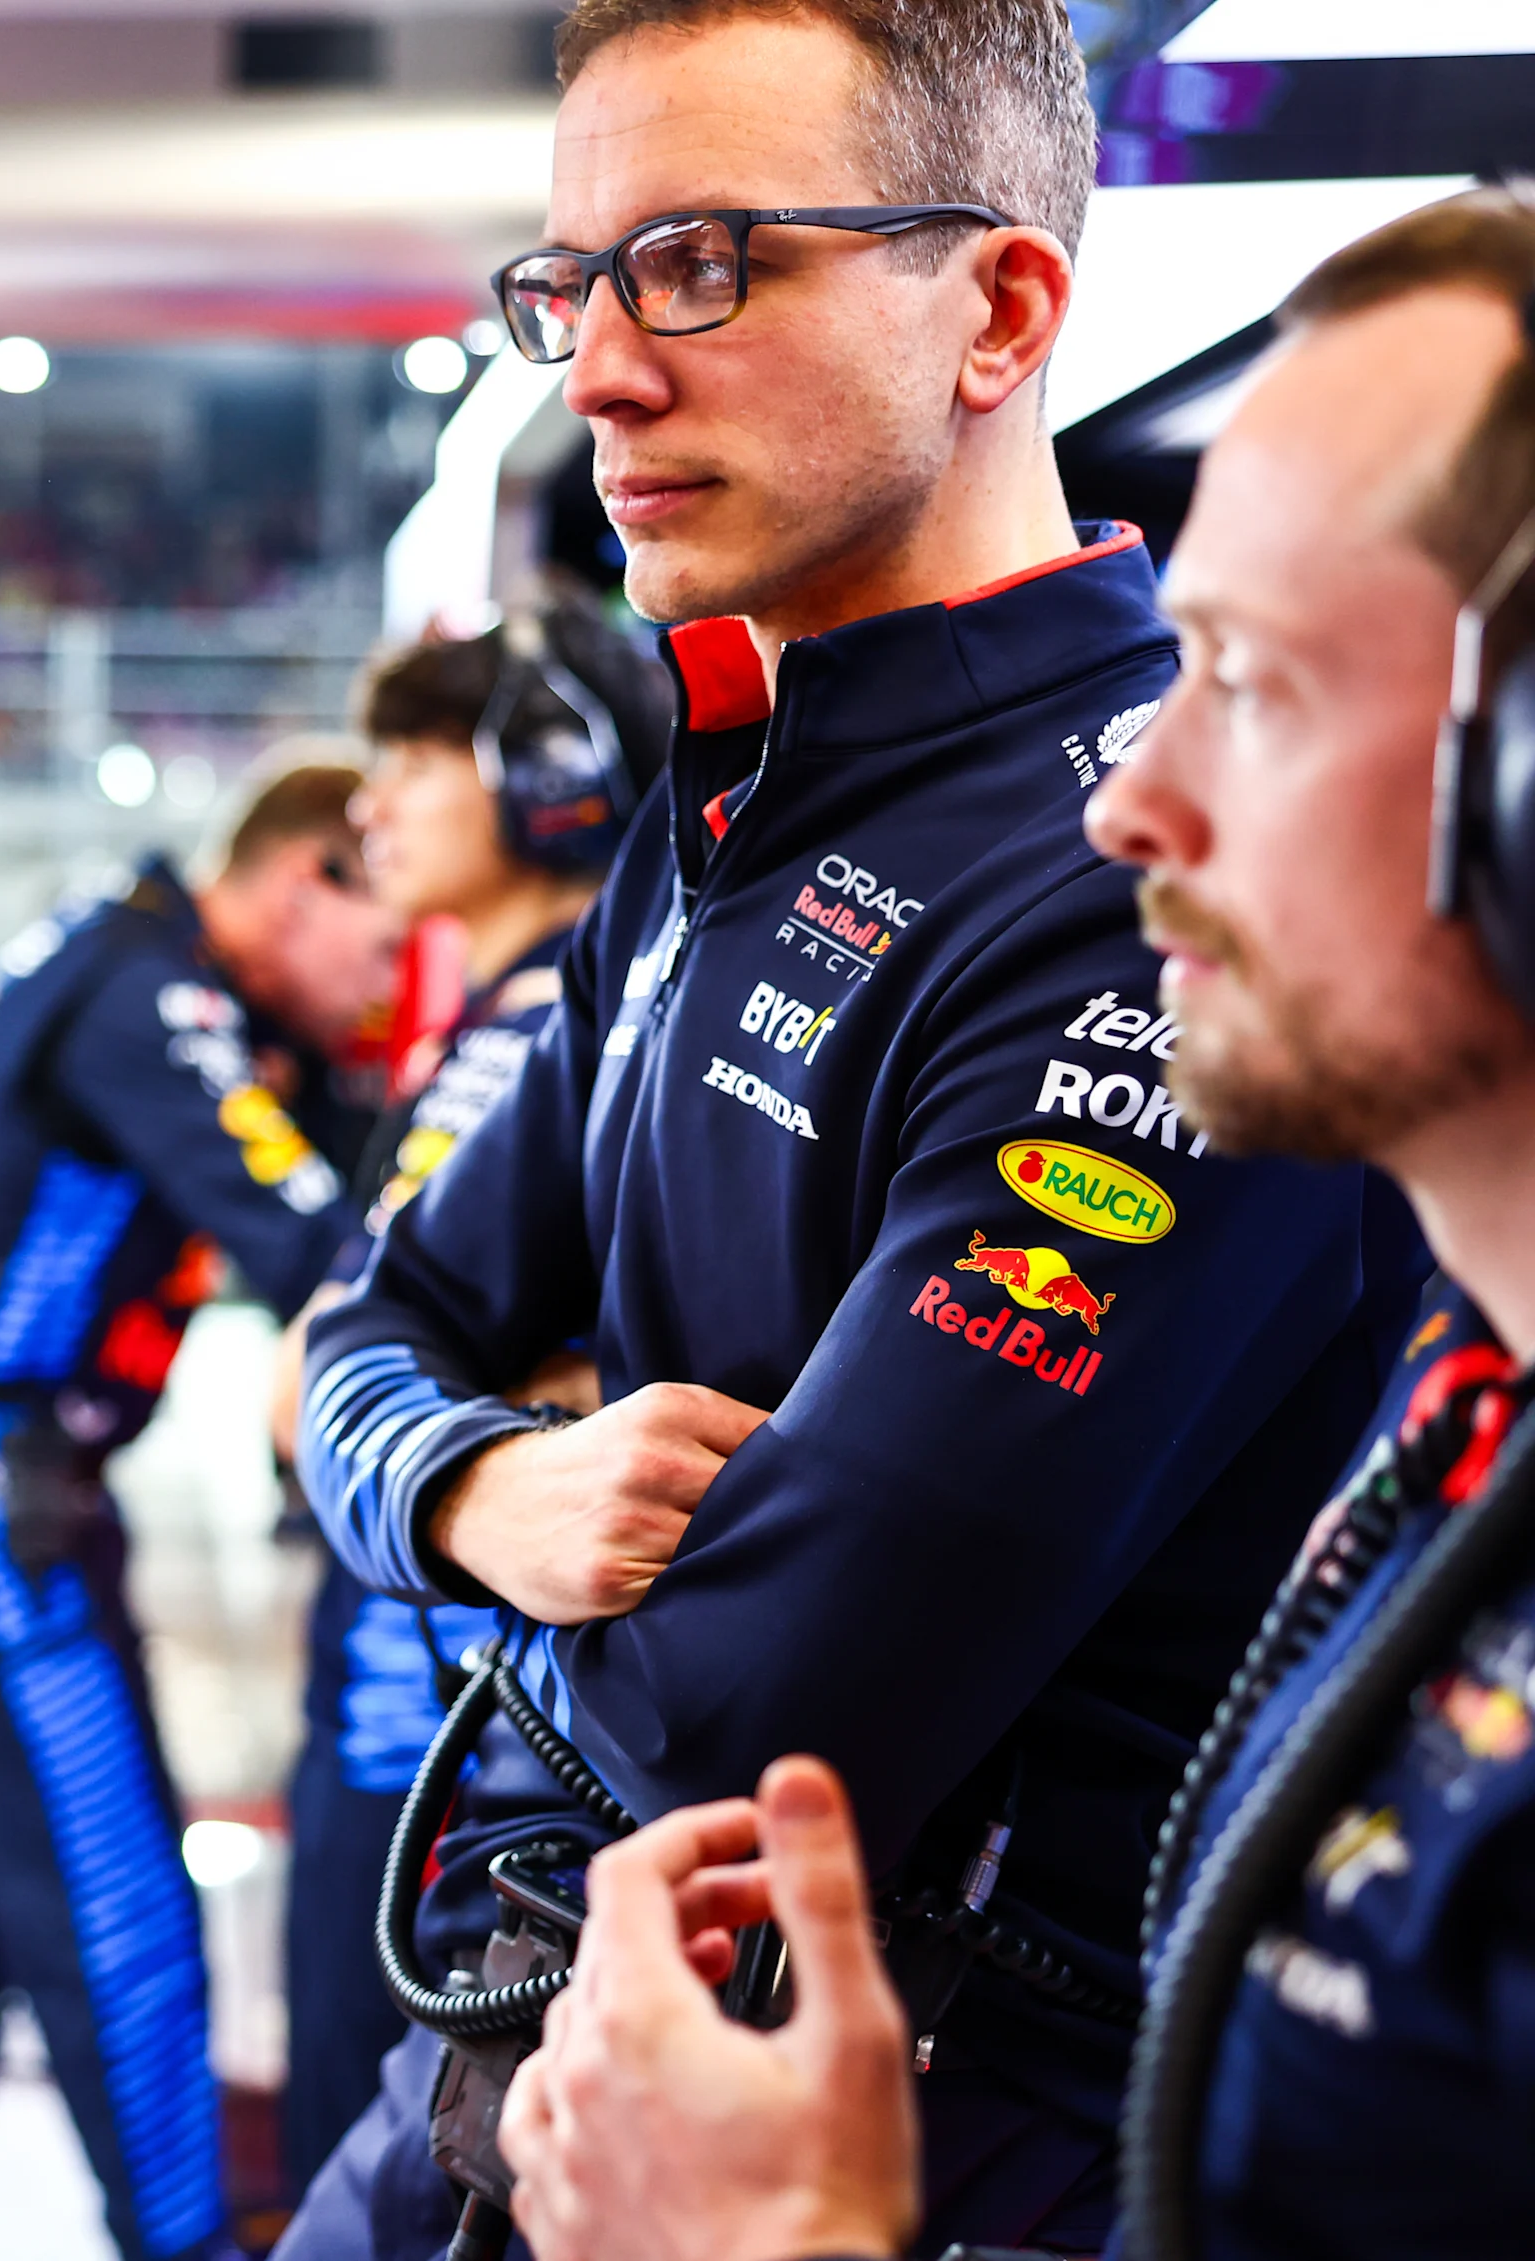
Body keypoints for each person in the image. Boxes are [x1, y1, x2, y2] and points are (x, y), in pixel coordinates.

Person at [284, 3, 1430, 2253]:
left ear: (998, 308)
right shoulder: (725, 794)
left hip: (922, 2125)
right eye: (572, 283)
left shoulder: (1150, 875)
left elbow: (753, 1703)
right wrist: (483, 1481)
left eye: (703, 262)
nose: (601, 367)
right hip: (539, 2048)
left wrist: (421, 1533)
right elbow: (368, 1315)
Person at [492, 186, 1535, 2261]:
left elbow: (750, 1688)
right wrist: (466, 1477)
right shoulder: (1464, 1415)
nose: (1128, 800)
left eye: (1240, 679)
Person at [0, 759, 394, 2261]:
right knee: (121, 1903)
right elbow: (320, 1242)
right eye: (384, 945)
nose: (389, 988)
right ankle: (190, 2242)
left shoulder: (118, 950)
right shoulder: (156, 998)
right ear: (300, 883)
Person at [272, 605, 669, 2195]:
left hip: (439, 1702)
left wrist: (382, 1398)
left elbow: (305, 1388)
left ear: (551, 779)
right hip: (432, 1672)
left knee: (383, 2127)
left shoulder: (539, 1030)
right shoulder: (525, 1011)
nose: (372, 804)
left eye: (413, 761)